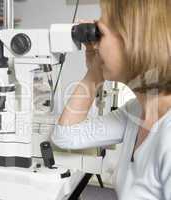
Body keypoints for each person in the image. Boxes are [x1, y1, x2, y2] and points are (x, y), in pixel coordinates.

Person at [51, 0, 171, 199]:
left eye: (101, 33)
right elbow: (66, 136)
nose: (94, 43)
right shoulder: (137, 111)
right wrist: (94, 73)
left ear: (134, 41)